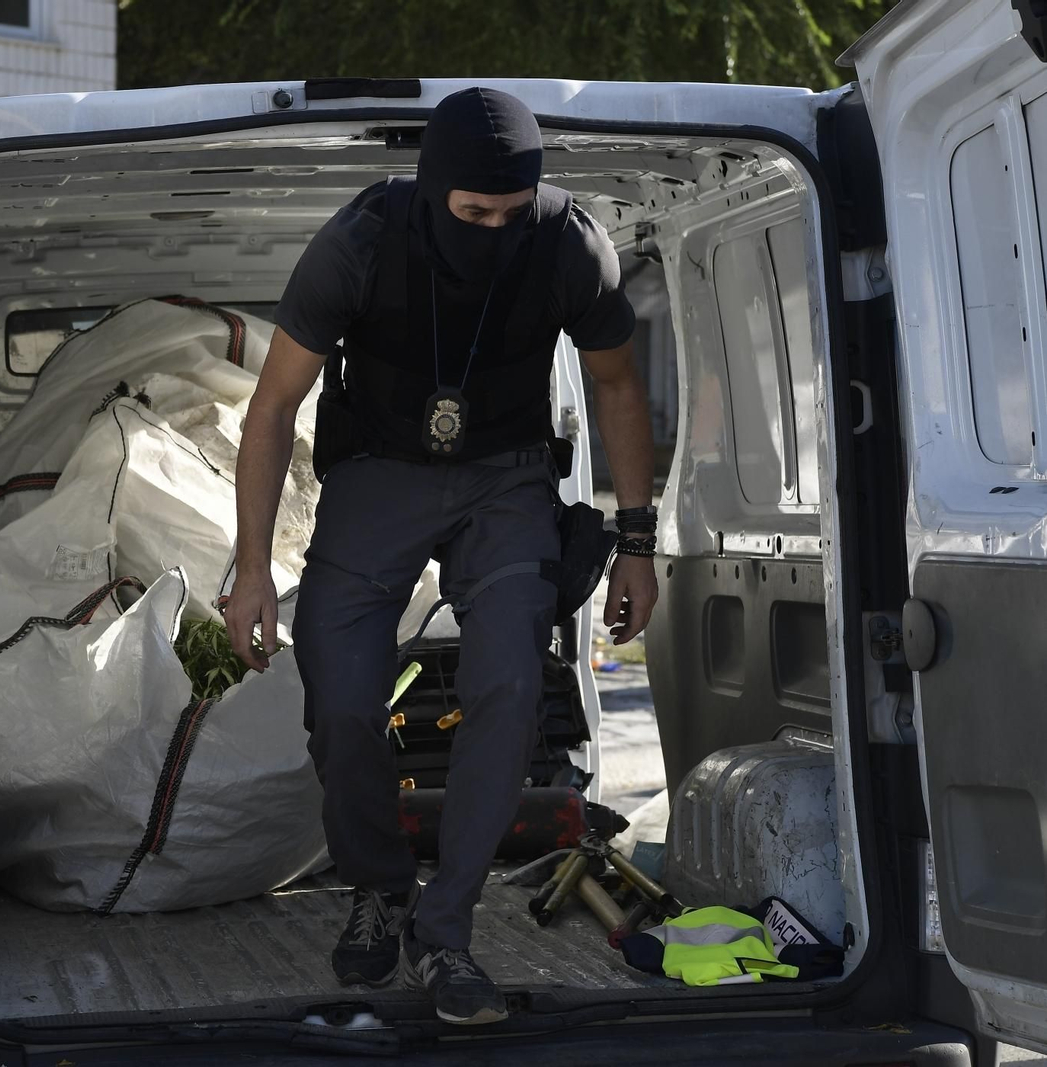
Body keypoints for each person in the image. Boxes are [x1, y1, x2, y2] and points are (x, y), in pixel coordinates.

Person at [224, 87, 659, 1026]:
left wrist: (636, 541)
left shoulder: (568, 244)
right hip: (378, 472)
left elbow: (618, 384)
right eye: (474, 213)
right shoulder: (362, 242)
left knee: (507, 685)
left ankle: (447, 930)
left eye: (512, 213)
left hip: (506, 481)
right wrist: (252, 567)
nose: (496, 230)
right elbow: (270, 412)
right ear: (434, 191)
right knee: (340, 701)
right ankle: (380, 888)